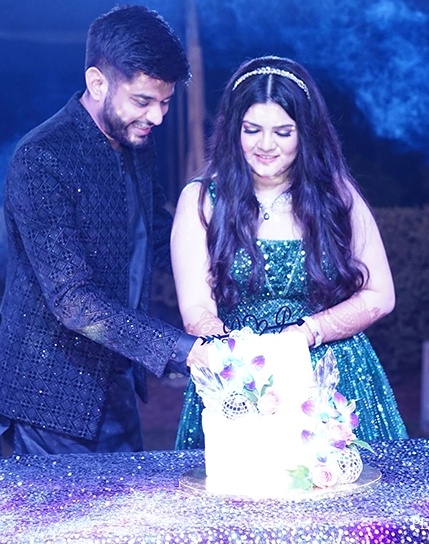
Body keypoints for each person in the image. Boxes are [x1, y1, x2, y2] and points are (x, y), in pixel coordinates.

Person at [0, 5, 207, 456]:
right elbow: (73, 300)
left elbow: (159, 236)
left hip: (116, 382)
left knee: (131, 504)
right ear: (98, 83)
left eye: (165, 102)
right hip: (44, 398)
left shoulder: (136, 142)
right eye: (143, 101)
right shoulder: (41, 158)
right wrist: (184, 350)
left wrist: (233, 266)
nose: (157, 117)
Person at [172, 56, 408, 449]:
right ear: (233, 129)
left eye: (283, 132)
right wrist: (241, 363)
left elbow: (380, 295)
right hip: (238, 380)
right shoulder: (203, 199)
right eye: (252, 130)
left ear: (306, 133)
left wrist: (306, 334)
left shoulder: (337, 196)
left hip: (331, 377)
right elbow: (196, 307)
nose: (266, 145)